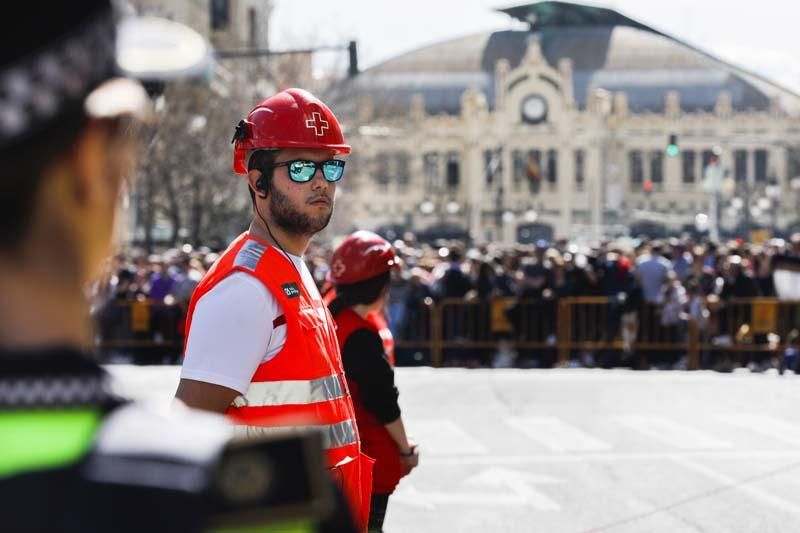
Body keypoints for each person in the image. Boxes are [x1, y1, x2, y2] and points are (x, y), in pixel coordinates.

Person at [0, 3, 356, 531]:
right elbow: (196, 413)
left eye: (331, 166)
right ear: (93, 166)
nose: (321, 180)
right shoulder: (250, 502)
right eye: (132, 138)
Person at [175, 88, 372, 530]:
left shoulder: (290, 270)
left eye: (331, 166)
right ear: (257, 179)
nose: (321, 181)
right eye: (301, 168)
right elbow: (187, 431)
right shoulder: (244, 289)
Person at [326, 231, 419, 532]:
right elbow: (383, 402)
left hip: (332, 458)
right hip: (368, 460)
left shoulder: (328, 318)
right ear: (380, 285)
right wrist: (405, 449)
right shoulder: (361, 336)